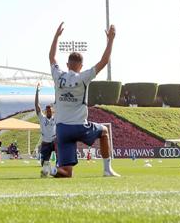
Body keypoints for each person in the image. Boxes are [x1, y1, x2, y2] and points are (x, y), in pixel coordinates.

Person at [48, 22, 119, 178]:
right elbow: (104, 61)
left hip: (62, 129)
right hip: (79, 126)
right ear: (81, 66)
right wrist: (111, 40)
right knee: (104, 132)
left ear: (67, 64)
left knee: (67, 173)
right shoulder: (83, 77)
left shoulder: (57, 75)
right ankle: (107, 170)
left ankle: (53, 170)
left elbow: (51, 57)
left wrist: (56, 37)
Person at [35, 82, 57, 177]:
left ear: (52, 111)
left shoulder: (56, 118)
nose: (49, 112)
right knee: (43, 162)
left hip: (54, 142)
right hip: (45, 143)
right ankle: (48, 169)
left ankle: (57, 170)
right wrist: (37, 91)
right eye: (47, 111)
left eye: (50, 111)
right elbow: (37, 105)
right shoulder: (42, 118)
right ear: (45, 111)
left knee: (61, 157)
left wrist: (57, 90)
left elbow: (59, 104)